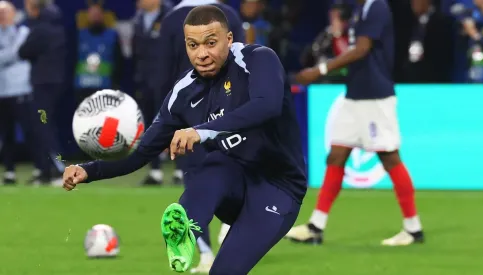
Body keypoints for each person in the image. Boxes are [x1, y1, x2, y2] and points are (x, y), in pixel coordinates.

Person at [62, 5, 306, 274]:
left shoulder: (258, 59)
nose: (202, 54)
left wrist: (201, 131)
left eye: (211, 43)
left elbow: (267, 105)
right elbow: (143, 151)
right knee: (215, 165)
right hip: (231, 179)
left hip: (277, 186)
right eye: (193, 45)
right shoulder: (184, 92)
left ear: (229, 39)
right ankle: (185, 234)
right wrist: (88, 170)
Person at [286, 0, 425, 246]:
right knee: (336, 155)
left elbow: (362, 50)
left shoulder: (377, 6)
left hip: (374, 96)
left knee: (390, 157)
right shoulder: (361, 9)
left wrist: (319, 70)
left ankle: (413, 229)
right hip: (355, 94)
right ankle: (316, 226)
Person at [157, 1, 245, 272]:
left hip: (187, 116)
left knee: (196, 182)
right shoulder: (228, 15)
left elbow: (162, 72)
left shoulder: (172, 19)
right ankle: (233, 224)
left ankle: (205, 253)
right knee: (231, 171)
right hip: (228, 113)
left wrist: (162, 122)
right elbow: (242, 63)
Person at [0, 0, 50, 185]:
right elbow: (13, 54)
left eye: (6, 11)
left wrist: (9, 54)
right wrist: (11, 55)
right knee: (6, 134)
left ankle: (39, 167)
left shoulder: (23, 32)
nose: (3, 15)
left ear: (14, 14)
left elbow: (18, 52)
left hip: (21, 88)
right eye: (0, 12)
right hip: (2, 91)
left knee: (30, 131)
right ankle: (9, 171)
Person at [19, 0, 66, 184]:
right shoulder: (56, 26)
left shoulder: (40, 29)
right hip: (54, 82)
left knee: (42, 125)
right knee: (44, 123)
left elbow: (23, 51)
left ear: (36, 9)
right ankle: (46, 171)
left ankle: (57, 168)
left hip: (43, 84)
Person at [132, 0, 174, 186]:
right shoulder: (138, 19)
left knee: (174, 123)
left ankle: (180, 170)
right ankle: (155, 170)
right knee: (150, 125)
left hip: (168, 80)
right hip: (145, 80)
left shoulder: (171, 15)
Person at [74, 1, 124, 104]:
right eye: (92, 14)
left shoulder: (112, 36)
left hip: (105, 89)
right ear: (87, 15)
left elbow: (119, 61)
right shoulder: (79, 36)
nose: (95, 16)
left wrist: (115, 85)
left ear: (102, 16)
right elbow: (72, 60)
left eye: (97, 14)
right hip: (83, 89)